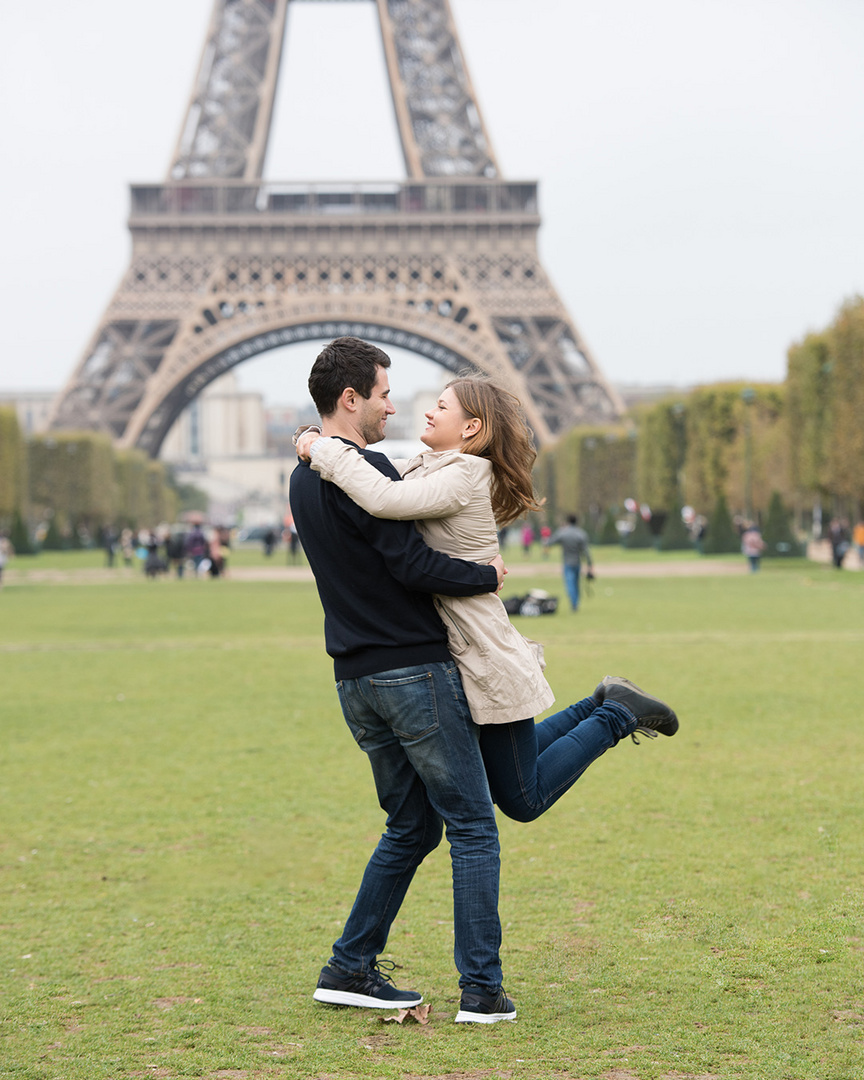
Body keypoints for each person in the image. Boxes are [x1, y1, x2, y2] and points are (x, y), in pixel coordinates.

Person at [297, 372, 678, 830]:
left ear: (472, 427)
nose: (426, 411)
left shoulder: (462, 473)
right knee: (509, 775)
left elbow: (380, 493)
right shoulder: (430, 464)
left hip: (482, 649)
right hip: (459, 648)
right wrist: (311, 435)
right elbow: (367, 466)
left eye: (440, 406)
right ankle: (603, 701)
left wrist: (318, 446)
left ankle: (617, 713)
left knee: (522, 799)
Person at [289, 337, 515, 1024]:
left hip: (354, 679)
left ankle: (349, 966)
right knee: (474, 826)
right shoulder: (356, 474)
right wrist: (486, 575)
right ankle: (481, 992)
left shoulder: (304, 473)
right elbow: (411, 563)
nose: (394, 406)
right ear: (351, 398)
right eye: (385, 394)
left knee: (411, 827)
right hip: (411, 671)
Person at [543, 514, 593, 612]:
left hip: (567, 562)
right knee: (576, 584)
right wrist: (590, 564)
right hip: (577, 562)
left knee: (570, 584)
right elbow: (586, 551)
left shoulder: (563, 532)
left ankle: (574, 603)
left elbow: (550, 542)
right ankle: (576, 602)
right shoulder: (581, 533)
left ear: (568, 521)